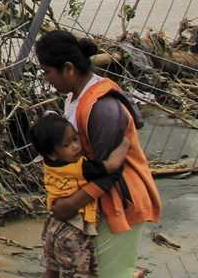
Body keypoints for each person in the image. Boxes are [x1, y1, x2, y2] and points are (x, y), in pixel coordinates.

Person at [36, 31, 161, 278]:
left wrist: (70, 205)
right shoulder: (75, 97)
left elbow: (109, 173)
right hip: (97, 203)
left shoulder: (102, 108)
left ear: (68, 68)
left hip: (120, 201)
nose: (46, 78)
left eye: (47, 71)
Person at [31, 112, 131, 278]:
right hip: (73, 230)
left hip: (53, 227)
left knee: (52, 272)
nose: (76, 146)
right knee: (81, 273)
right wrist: (125, 143)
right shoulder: (80, 168)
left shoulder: (50, 165)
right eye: (66, 145)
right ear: (51, 153)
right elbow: (112, 165)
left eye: (76, 139)